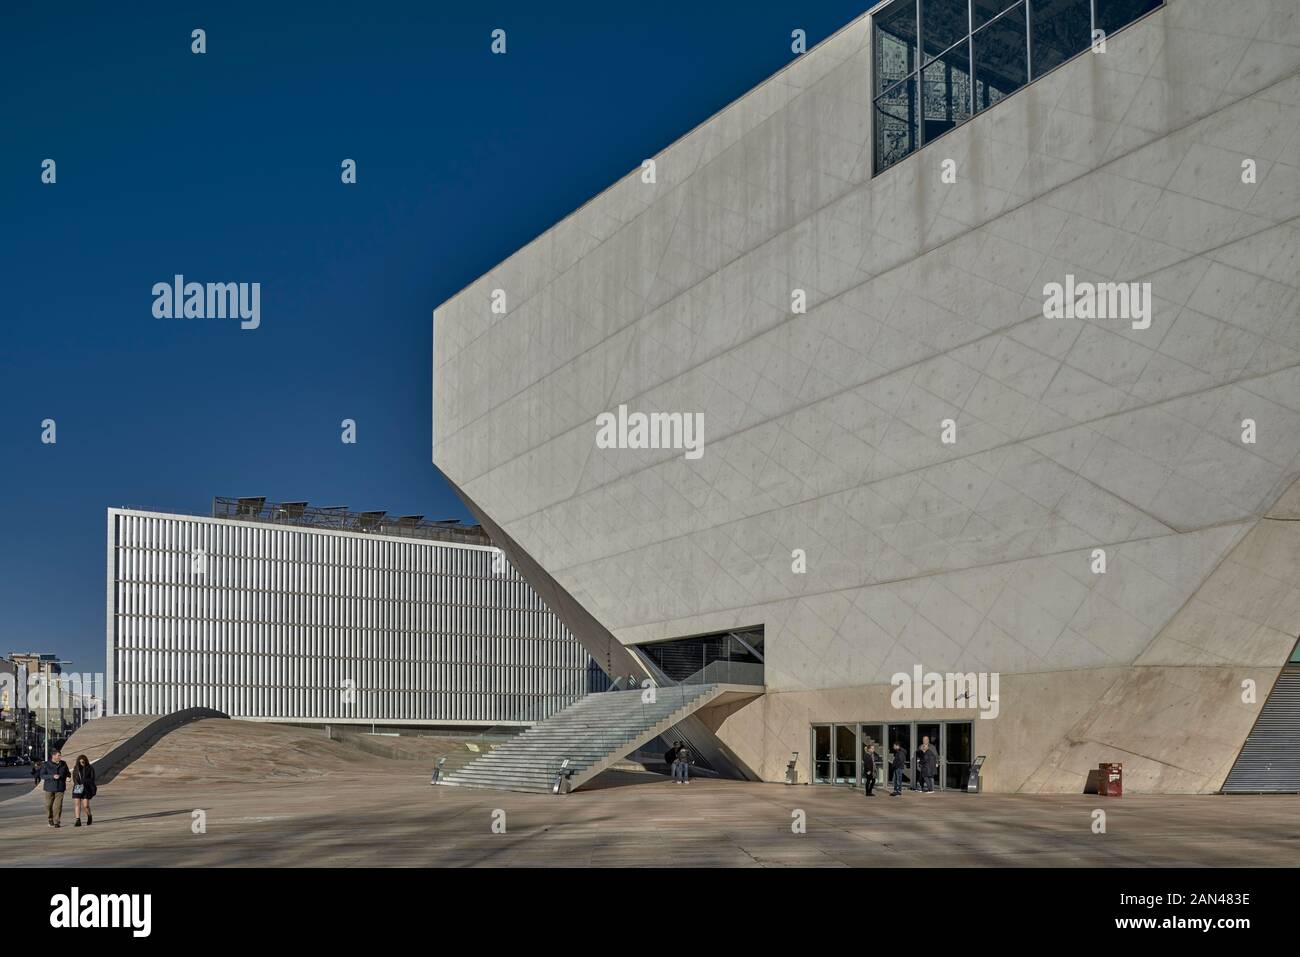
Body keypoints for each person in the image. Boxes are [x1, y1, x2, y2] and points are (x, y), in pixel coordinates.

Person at [41, 749, 70, 828]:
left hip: (60, 788)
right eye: (58, 755)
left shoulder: (63, 764)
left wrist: (68, 777)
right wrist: (52, 776)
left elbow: (68, 773)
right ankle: (50, 818)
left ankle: (57, 821)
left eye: (60, 755)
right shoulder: (46, 764)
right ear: (53, 756)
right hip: (49, 788)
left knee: (58, 806)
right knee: (48, 805)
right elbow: (42, 775)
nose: (60, 757)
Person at [71, 755, 96, 827]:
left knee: (86, 806)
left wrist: (85, 781)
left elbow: (92, 779)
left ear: (86, 761)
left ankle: (89, 816)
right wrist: (77, 784)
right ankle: (78, 820)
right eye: (80, 761)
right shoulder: (76, 768)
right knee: (77, 804)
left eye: (83, 761)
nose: (82, 763)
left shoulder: (90, 768)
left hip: (86, 788)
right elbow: (74, 778)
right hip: (78, 787)